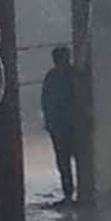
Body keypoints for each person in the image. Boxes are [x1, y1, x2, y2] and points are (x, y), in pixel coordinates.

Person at [41, 46, 75, 205]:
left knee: (63, 161)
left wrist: (49, 124)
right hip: (72, 126)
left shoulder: (52, 77)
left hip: (60, 127)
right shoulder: (75, 74)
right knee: (76, 161)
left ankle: (68, 193)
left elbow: (46, 103)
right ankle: (77, 192)